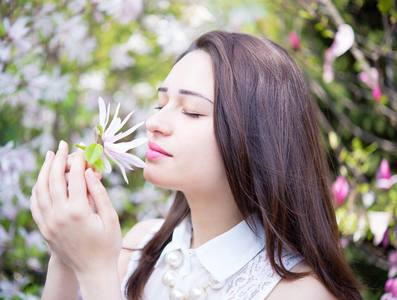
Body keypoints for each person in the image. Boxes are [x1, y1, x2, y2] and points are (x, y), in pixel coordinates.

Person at [30, 30, 363, 300]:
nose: (154, 122)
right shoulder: (139, 245)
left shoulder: (299, 293)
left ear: (257, 135)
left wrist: (94, 271)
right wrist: (66, 254)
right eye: (160, 104)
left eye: (191, 111)